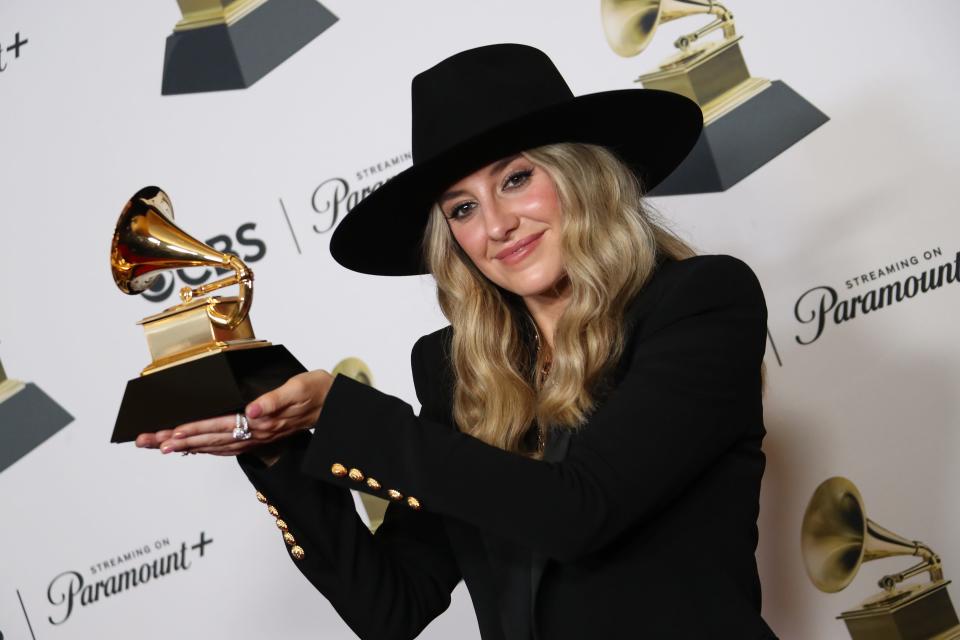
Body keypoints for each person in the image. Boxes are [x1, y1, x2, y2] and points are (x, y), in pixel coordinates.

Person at [137, 44, 776, 639]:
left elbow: (581, 510)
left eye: (516, 179)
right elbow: (391, 606)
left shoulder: (701, 302)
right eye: (462, 208)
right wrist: (279, 447)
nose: (497, 225)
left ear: (580, 175)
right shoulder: (455, 372)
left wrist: (345, 414)